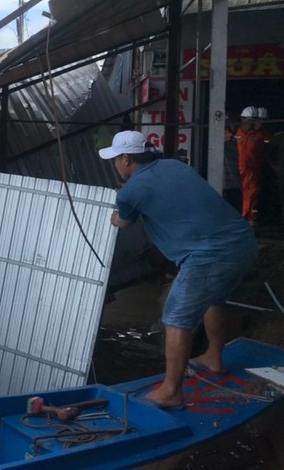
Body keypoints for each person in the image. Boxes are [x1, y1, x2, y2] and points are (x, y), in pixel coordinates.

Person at [99, 130, 256, 410]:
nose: (115, 165)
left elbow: (123, 222)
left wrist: (114, 215)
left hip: (208, 256)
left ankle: (171, 391)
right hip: (242, 242)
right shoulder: (174, 166)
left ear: (125, 159)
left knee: (176, 317)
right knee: (214, 298)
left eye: (115, 159)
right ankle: (214, 358)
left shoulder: (132, 191)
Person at [234, 106, 271, 224]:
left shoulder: (259, 135)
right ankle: (245, 217)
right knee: (244, 193)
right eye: (250, 120)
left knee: (251, 193)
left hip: (252, 169)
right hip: (238, 169)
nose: (253, 123)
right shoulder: (236, 132)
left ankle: (247, 217)